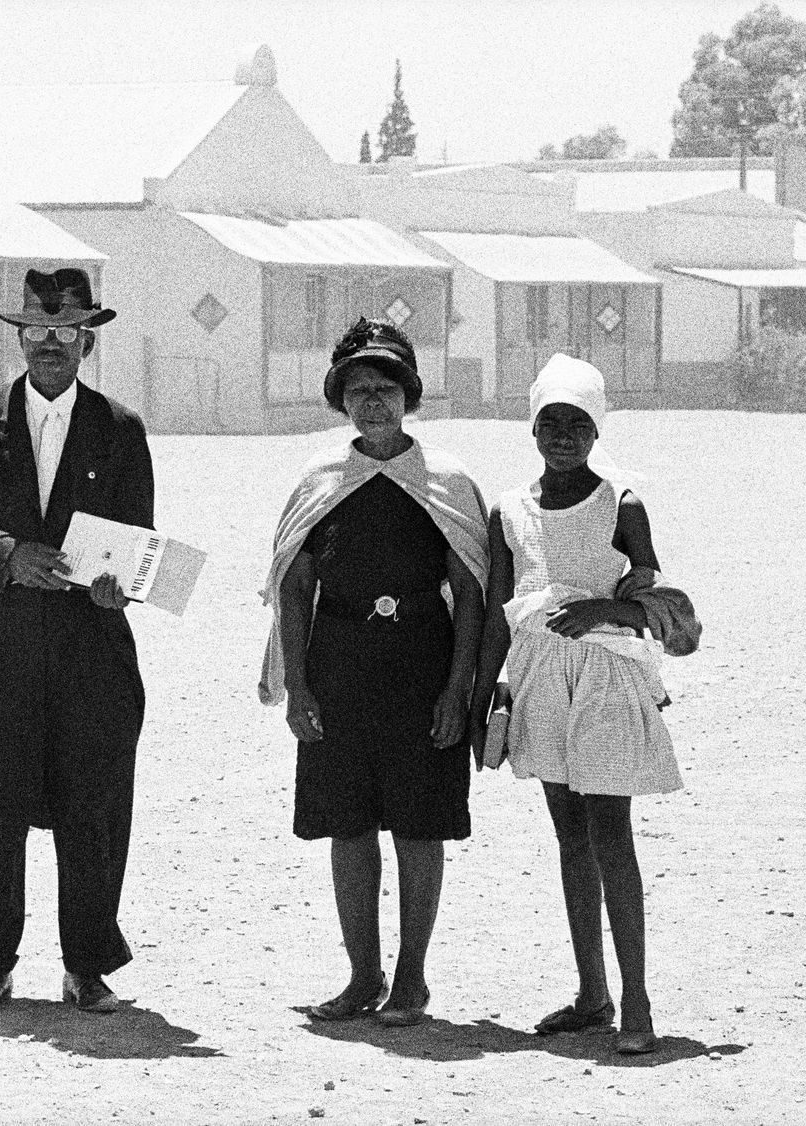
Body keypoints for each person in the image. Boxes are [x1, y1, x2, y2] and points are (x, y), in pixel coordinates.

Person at [0, 268, 154, 1016]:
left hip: (90, 649)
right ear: (21, 337)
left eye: (66, 330)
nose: (51, 343)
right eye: (37, 330)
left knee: (92, 805)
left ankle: (87, 965)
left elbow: (138, 544)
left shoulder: (120, 429)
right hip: (1, 645)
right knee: (0, 804)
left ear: (87, 337)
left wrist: (121, 584)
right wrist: (6, 555)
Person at [466, 353, 701, 1055]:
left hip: (605, 673)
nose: (563, 434)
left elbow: (650, 600)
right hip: (539, 675)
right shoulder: (509, 509)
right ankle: (590, 993)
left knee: (611, 834)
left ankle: (637, 1002)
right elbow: (497, 612)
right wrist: (484, 699)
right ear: (532, 427)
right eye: (550, 421)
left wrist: (605, 604)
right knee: (570, 837)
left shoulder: (620, 502)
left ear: (597, 429)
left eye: (577, 421)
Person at [259, 318, 488, 1027]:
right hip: (339, 663)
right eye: (358, 390)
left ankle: (412, 980)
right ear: (341, 400)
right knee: (347, 825)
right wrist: (298, 686)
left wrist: (458, 690)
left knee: (419, 827)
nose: (373, 402)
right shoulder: (320, 479)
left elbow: (473, 589)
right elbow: (293, 588)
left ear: (409, 395)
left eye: (386, 388)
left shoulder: (446, 481)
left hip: (422, 662)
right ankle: (362, 976)